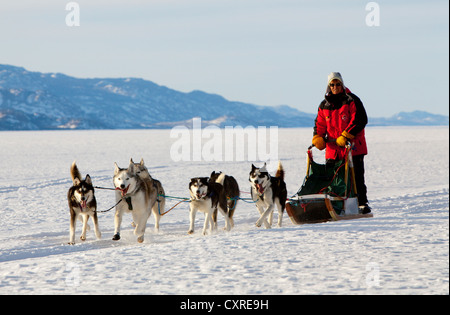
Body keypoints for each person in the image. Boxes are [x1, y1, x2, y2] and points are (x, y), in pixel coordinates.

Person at [312, 72, 371, 213]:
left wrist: (346, 135)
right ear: (328, 86)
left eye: (338, 84)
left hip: (353, 146)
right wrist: (317, 137)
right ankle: (335, 203)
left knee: (356, 176)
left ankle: (362, 203)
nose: (335, 87)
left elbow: (360, 119)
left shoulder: (352, 100)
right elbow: (319, 123)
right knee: (332, 178)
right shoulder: (324, 104)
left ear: (342, 84)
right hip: (333, 148)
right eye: (332, 85)